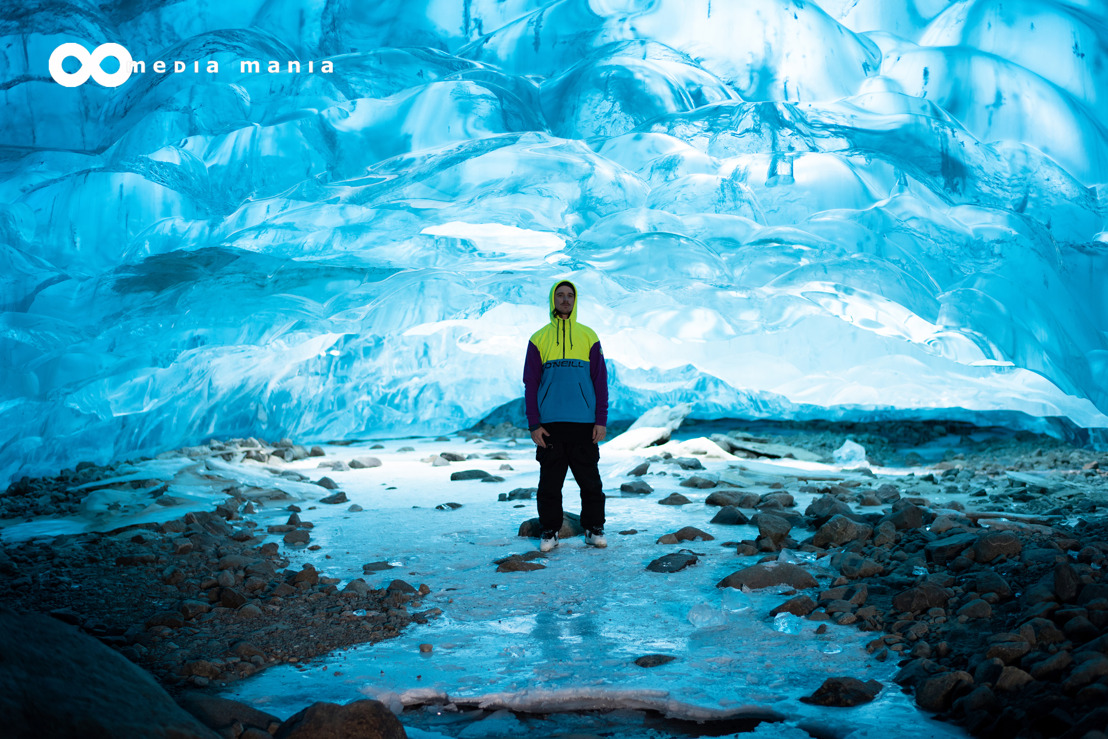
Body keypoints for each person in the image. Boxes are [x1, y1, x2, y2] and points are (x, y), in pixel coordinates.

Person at [522, 279, 608, 552]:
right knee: (549, 484)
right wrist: (534, 424)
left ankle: (594, 529)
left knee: (591, 483)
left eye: (570, 295)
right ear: (552, 299)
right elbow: (531, 383)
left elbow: (600, 381)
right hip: (550, 425)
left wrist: (600, 420)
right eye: (560, 295)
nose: (565, 300)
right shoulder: (539, 338)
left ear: (576, 299)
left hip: (583, 423)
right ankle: (550, 531)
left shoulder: (588, 336)